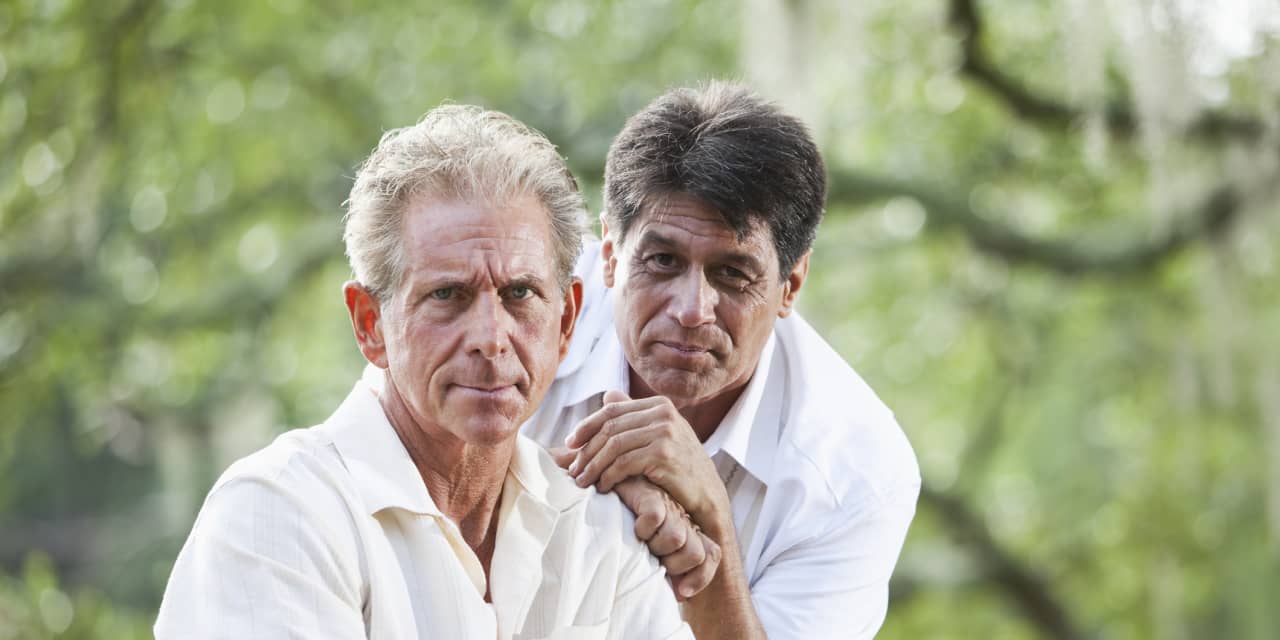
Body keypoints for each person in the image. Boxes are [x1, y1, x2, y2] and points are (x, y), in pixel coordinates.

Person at [155, 104, 705, 639]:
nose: (491, 337)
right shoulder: (279, 515)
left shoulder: (598, 527)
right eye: (447, 295)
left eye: (519, 293)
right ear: (370, 324)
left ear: (565, 322)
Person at [522, 81, 922, 639]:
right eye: (663, 261)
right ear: (610, 254)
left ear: (791, 285)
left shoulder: (855, 473)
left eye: (732, 274)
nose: (692, 310)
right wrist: (530, 487)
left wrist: (711, 525)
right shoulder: (511, 310)